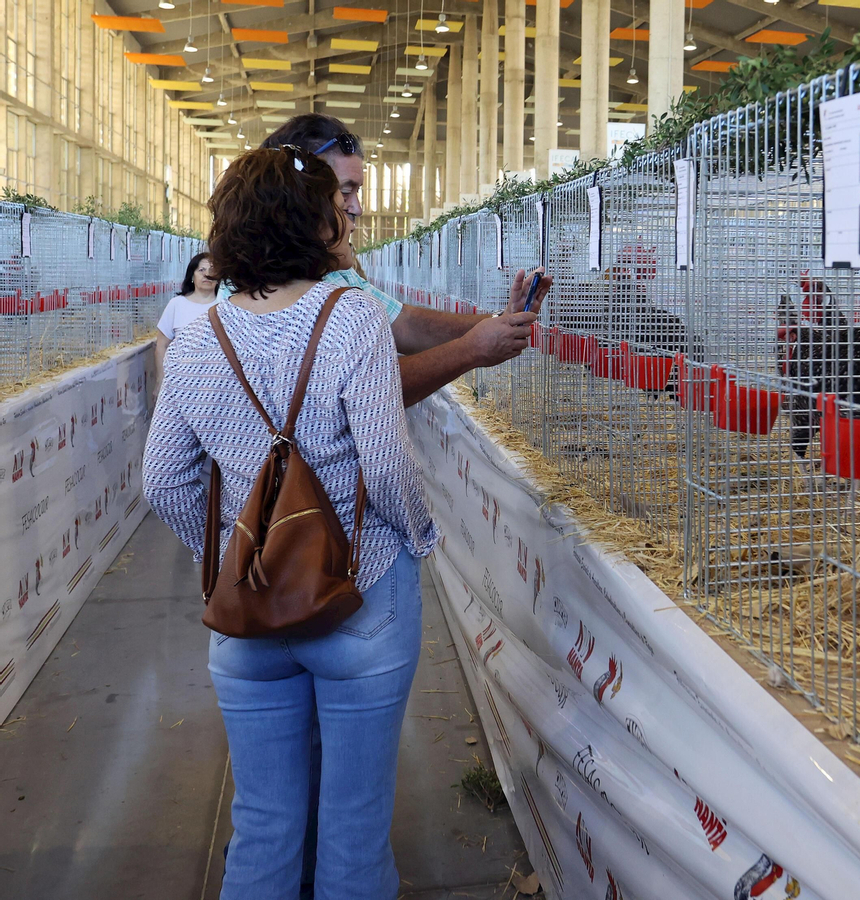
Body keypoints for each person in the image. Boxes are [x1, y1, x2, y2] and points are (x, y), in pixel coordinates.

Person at [143, 146, 446, 899]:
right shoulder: (350, 319)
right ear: (312, 221)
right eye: (339, 205)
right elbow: (385, 465)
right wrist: (416, 536)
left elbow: (163, 481)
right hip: (360, 593)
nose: (351, 215)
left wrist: (230, 556)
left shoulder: (197, 337)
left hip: (247, 613)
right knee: (354, 830)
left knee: (266, 825)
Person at [213, 113, 552, 406]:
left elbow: (403, 323)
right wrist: (470, 350)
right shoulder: (257, 295)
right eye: (343, 193)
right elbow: (362, 394)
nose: (357, 208)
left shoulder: (337, 278)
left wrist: (499, 321)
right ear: (299, 197)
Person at [154, 252, 220, 385]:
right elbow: (162, 345)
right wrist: (161, 380)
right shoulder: (176, 304)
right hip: (180, 383)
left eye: (212, 270)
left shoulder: (226, 306)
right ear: (192, 276)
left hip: (216, 385)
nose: (207, 274)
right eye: (201, 270)